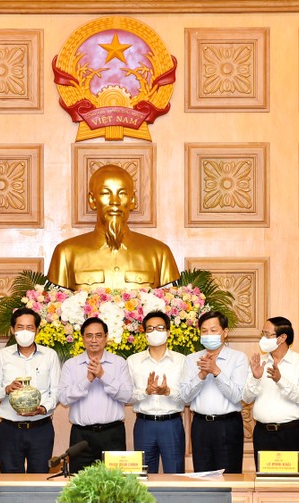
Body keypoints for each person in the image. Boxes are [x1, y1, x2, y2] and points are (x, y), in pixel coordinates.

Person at [47, 164, 179, 290]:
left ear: (132, 200)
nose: (114, 201)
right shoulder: (66, 253)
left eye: (122, 193)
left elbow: (170, 302)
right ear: (92, 201)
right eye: (105, 193)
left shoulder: (160, 254)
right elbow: (54, 302)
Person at [0, 308, 61, 473]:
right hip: (10, 430)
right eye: (20, 327)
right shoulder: (2, 355)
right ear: (13, 330)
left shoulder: (50, 355)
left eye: (30, 327)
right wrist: (7, 389)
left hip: (41, 429)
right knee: (9, 482)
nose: (25, 332)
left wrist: (43, 408)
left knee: (40, 480)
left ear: (37, 330)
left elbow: (57, 392)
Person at [58, 317, 133, 473]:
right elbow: (63, 399)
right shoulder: (71, 365)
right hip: (81, 436)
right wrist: (87, 380)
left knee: (115, 486)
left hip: (113, 434)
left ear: (106, 338)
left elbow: (127, 396)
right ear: (82, 338)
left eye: (98, 335)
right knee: (79, 486)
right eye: (89, 335)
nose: (94, 340)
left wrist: (102, 375)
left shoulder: (119, 363)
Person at [180, 310, 248, 474]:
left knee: (230, 478)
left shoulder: (238, 358)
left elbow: (238, 396)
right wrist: (201, 375)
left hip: (228, 425)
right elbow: (185, 397)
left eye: (213, 330)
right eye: (204, 331)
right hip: (201, 426)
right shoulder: (191, 360)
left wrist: (216, 371)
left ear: (225, 332)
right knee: (203, 478)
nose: (208, 334)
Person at [242, 316, 299, 472]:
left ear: (282, 337)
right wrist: (255, 377)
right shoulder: (258, 362)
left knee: (292, 486)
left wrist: (281, 380)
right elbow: (246, 398)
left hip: (291, 433)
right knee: (264, 485)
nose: (263, 339)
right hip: (262, 434)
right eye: (262, 334)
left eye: (267, 335)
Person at [127, 311, 186, 473]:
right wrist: (145, 391)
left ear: (168, 332)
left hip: (171, 425)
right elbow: (126, 397)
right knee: (143, 477)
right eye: (150, 328)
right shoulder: (133, 361)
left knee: (175, 475)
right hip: (144, 425)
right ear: (145, 333)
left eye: (160, 328)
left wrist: (168, 391)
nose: (155, 332)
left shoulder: (182, 361)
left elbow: (188, 396)